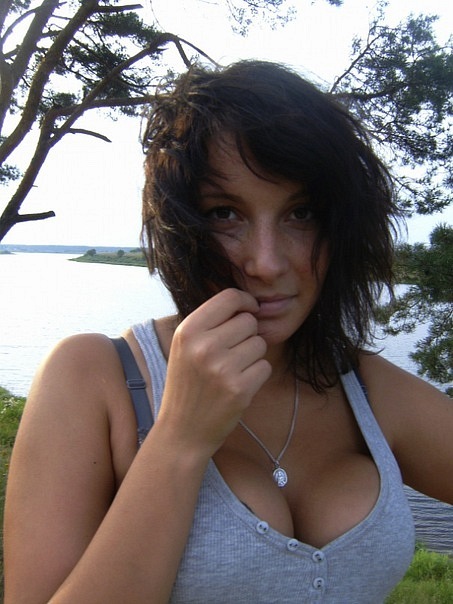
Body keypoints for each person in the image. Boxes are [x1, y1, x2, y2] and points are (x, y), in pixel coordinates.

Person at [3, 60, 453, 604]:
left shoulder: (365, 387)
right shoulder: (96, 378)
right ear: (178, 228)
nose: (267, 263)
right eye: (224, 214)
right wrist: (180, 437)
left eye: (301, 213)